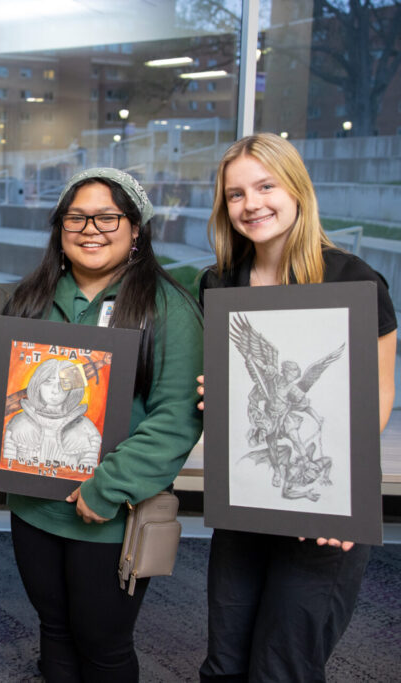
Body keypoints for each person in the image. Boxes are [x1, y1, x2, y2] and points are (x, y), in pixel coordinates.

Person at [0, 167, 203, 682]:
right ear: (59, 228)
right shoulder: (31, 295)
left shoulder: (169, 309)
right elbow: (5, 373)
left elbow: (176, 418)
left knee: (103, 645)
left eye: (107, 217)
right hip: (33, 507)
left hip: (111, 515)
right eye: (75, 217)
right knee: (53, 629)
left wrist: (108, 488)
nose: (90, 228)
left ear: (136, 228)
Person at [196, 133, 396, 683]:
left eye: (265, 186)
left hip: (322, 506)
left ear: (297, 190)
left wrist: (344, 499)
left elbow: (376, 396)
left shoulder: (354, 279)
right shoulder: (219, 283)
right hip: (248, 501)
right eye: (235, 194)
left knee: (284, 666)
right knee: (224, 662)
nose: (251, 204)